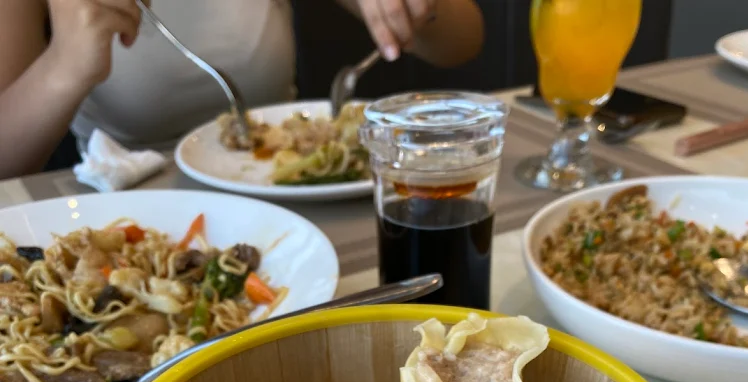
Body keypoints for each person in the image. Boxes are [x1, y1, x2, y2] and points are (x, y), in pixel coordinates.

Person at [0, 0, 484, 178]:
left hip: (291, 206)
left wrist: (419, 8)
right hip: (126, 219)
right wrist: (64, 66)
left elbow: (463, 41)